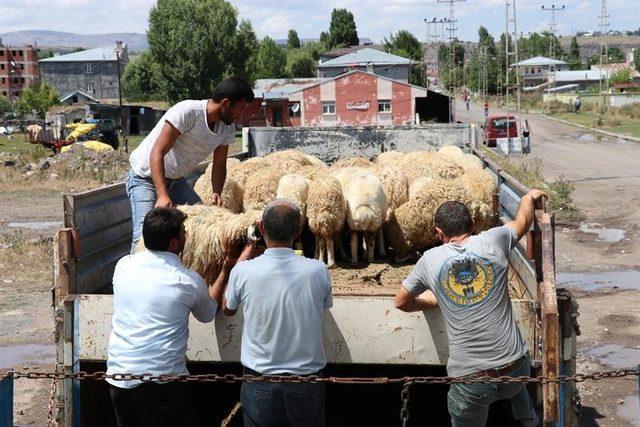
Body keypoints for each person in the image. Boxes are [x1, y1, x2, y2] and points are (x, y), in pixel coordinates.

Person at [394, 189, 547, 427]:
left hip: (472, 381)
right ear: (473, 224)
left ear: (438, 233)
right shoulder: (495, 239)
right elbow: (524, 221)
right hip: (517, 369)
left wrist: (429, 300)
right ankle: (531, 421)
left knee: (467, 405)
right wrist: (527, 198)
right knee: (515, 374)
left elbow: (401, 301)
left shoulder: (429, 260)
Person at [106, 207, 241, 427]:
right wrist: (226, 271)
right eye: (183, 232)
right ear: (174, 244)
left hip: (119, 379)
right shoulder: (186, 280)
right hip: (163, 384)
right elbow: (207, 313)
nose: (186, 235)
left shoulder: (123, 266)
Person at [224, 200, 333, 427]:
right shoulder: (318, 270)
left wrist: (244, 256)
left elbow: (228, 308)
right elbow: (322, 306)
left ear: (262, 228)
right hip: (306, 380)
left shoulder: (243, 271)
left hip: (259, 379)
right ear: (299, 231)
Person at [126, 77, 254, 250]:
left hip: (176, 180)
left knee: (202, 224)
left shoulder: (227, 127)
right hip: (146, 176)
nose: (242, 114)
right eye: (241, 108)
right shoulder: (188, 112)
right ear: (225, 103)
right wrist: (162, 195)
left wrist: (216, 191)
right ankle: (134, 274)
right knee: (144, 236)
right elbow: (157, 152)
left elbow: (219, 164)